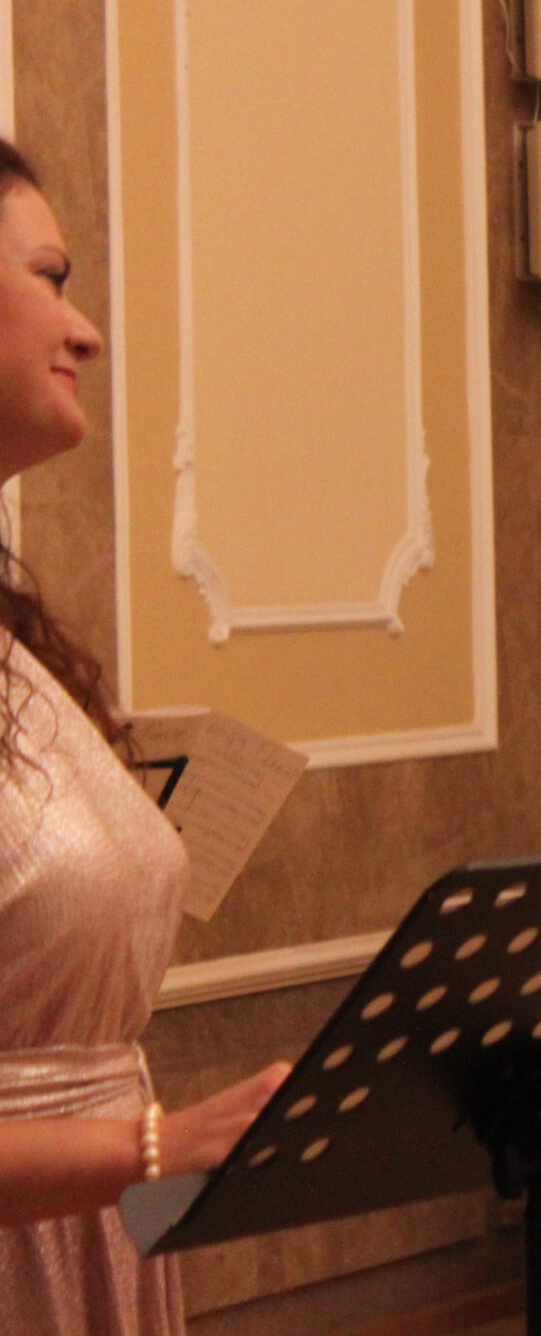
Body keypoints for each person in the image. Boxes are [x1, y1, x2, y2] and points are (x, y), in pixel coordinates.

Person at [0, 138, 287, 1333]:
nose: (86, 332)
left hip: (86, 1234)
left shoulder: (16, 636)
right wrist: (160, 1143)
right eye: (50, 278)